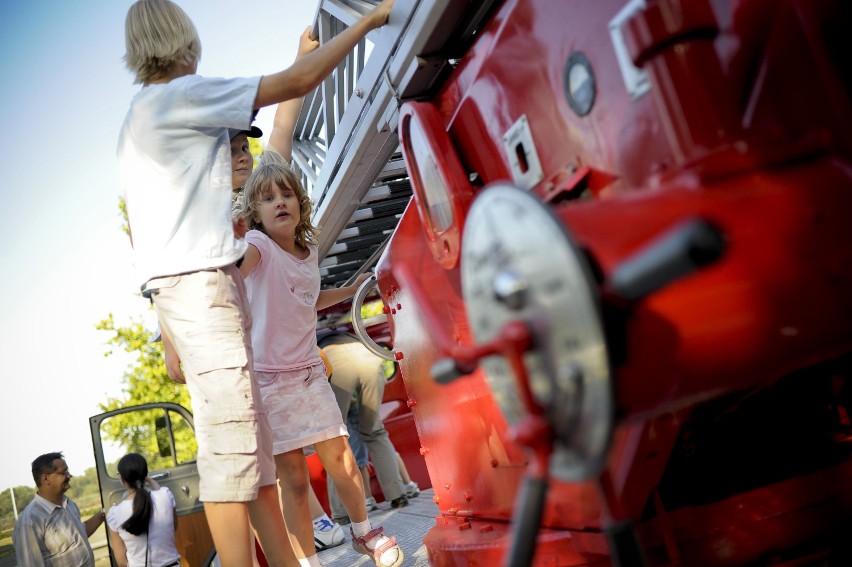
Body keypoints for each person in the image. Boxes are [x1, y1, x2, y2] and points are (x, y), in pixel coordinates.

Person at [117, 1, 394, 565]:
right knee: (235, 463)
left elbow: (155, 242)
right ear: (182, 39)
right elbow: (293, 89)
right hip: (211, 306)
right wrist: (367, 21)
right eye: (233, 145)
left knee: (259, 463)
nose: (237, 153)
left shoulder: (156, 139)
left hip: (215, 309)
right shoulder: (179, 100)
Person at [236, 160, 404, 567]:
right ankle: (307, 561)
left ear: (300, 203)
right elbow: (233, 276)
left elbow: (308, 295)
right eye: (268, 197)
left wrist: (355, 289)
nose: (280, 202)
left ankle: (363, 534)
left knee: (341, 458)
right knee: (292, 478)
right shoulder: (258, 246)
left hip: (310, 371)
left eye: (287, 194)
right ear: (255, 213)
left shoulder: (307, 250)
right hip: (270, 379)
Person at [319, 331, 409, 523]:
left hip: (335, 360)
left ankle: (341, 513)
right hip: (368, 355)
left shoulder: (313, 337)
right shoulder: (347, 334)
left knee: (334, 438)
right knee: (374, 431)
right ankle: (397, 494)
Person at [13, 452, 106, 567]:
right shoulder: (30, 522)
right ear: (46, 479)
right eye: (64, 472)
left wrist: (104, 512)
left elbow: (80, 534)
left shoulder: (68, 503)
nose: (69, 476)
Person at [105, 454, 181, 567]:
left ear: (122, 479)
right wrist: (149, 480)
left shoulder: (115, 514)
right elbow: (173, 527)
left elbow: (121, 562)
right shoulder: (165, 496)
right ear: (145, 474)